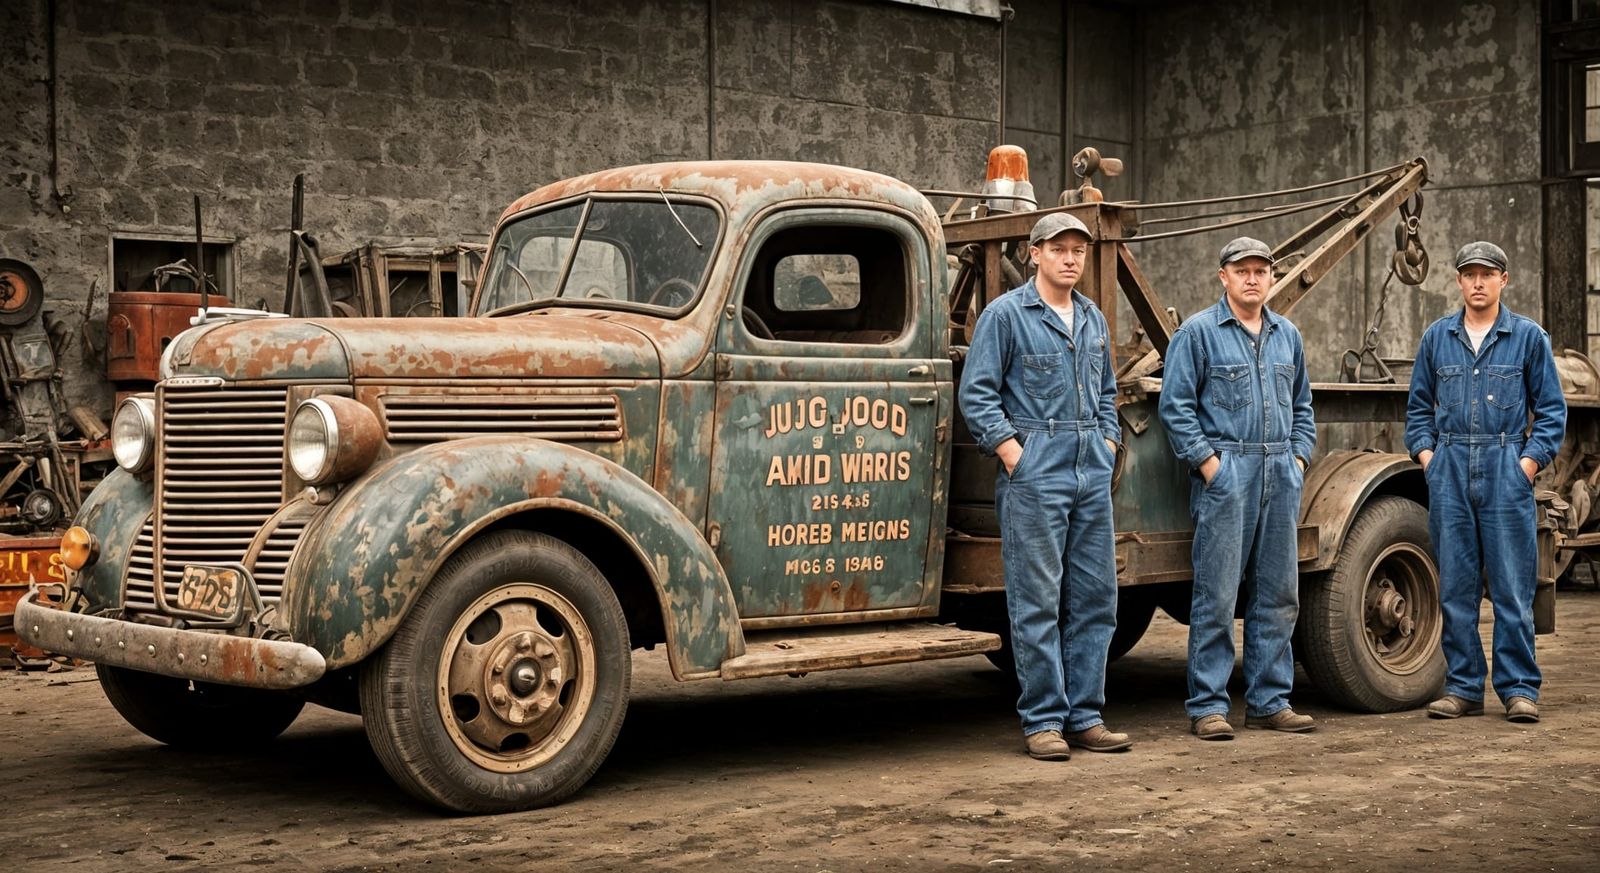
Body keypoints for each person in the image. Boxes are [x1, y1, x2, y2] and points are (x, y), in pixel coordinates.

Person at [959, 212, 1129, 760]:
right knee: (1037, 601)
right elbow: (977, 394)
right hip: (1037, 469)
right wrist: (1015, 455)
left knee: (1097, 597)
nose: (1071, 258)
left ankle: (1085, 715)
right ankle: (1043, 720)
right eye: (1059, 249)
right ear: (1034, 254)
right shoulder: (1006, 316)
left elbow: (1107, 393)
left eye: (1079, 249)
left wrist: (1106, 444)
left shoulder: (1093, 318)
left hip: (1089, 467)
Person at [1158, 237, 1317, 741]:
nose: (1252, 278)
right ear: (1222, 276)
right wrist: (1212, 468)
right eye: (1241, 270)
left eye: (1260, 270)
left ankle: (1270, 700)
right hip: (1229, 475)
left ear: (1271, 278)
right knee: (1218, 594)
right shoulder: (1198, 333)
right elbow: (1176, 408)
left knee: (1278, 593)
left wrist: (1296, 458)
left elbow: (1304, 407)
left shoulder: (1287, 335)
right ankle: (1208, 705)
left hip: (1278, 472)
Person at [1404, 241, 1566, 724]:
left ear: (1503, 280)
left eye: (1487, 274)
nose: (1477, 282)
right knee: (1455, 588)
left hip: (1504, 466)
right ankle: (1463, 687)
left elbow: (1553, 412)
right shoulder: (1437, 338)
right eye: (1469, 274)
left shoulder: (1528, 339)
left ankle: (1519, 689)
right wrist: (1431, 460)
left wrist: (1527, 466)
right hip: (1450, 468)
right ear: (1457, 281)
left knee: (1513, 588)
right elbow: (1417, 412)